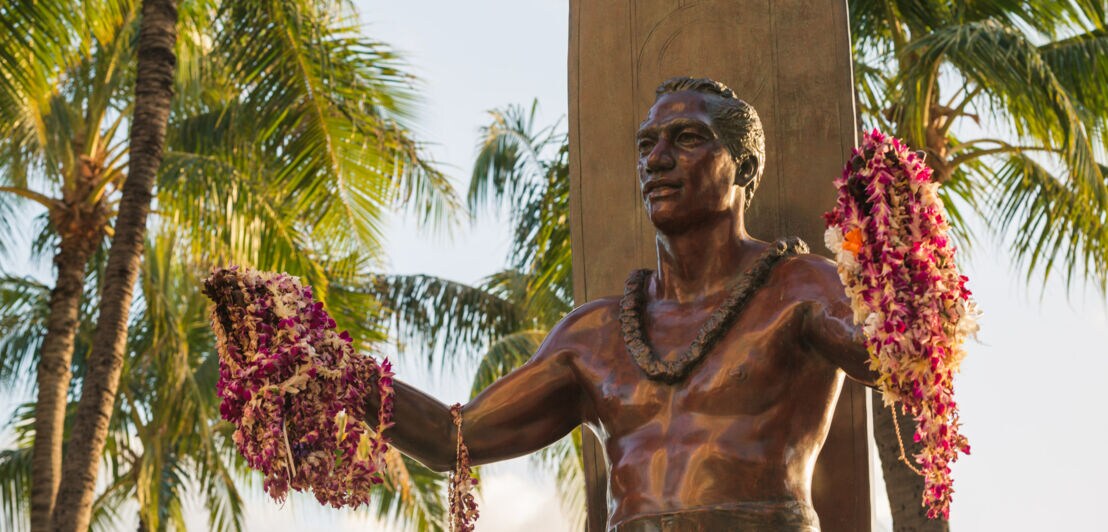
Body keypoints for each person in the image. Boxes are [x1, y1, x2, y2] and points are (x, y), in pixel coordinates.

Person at [369, 77, 875, 531]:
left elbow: (892, 354)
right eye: (646, 145)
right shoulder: (595, 335)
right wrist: (338, 372)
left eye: (687, 138)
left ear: (743, 165)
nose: (656, 160)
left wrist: (899, 227)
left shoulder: (801, 288)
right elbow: (451, 439)